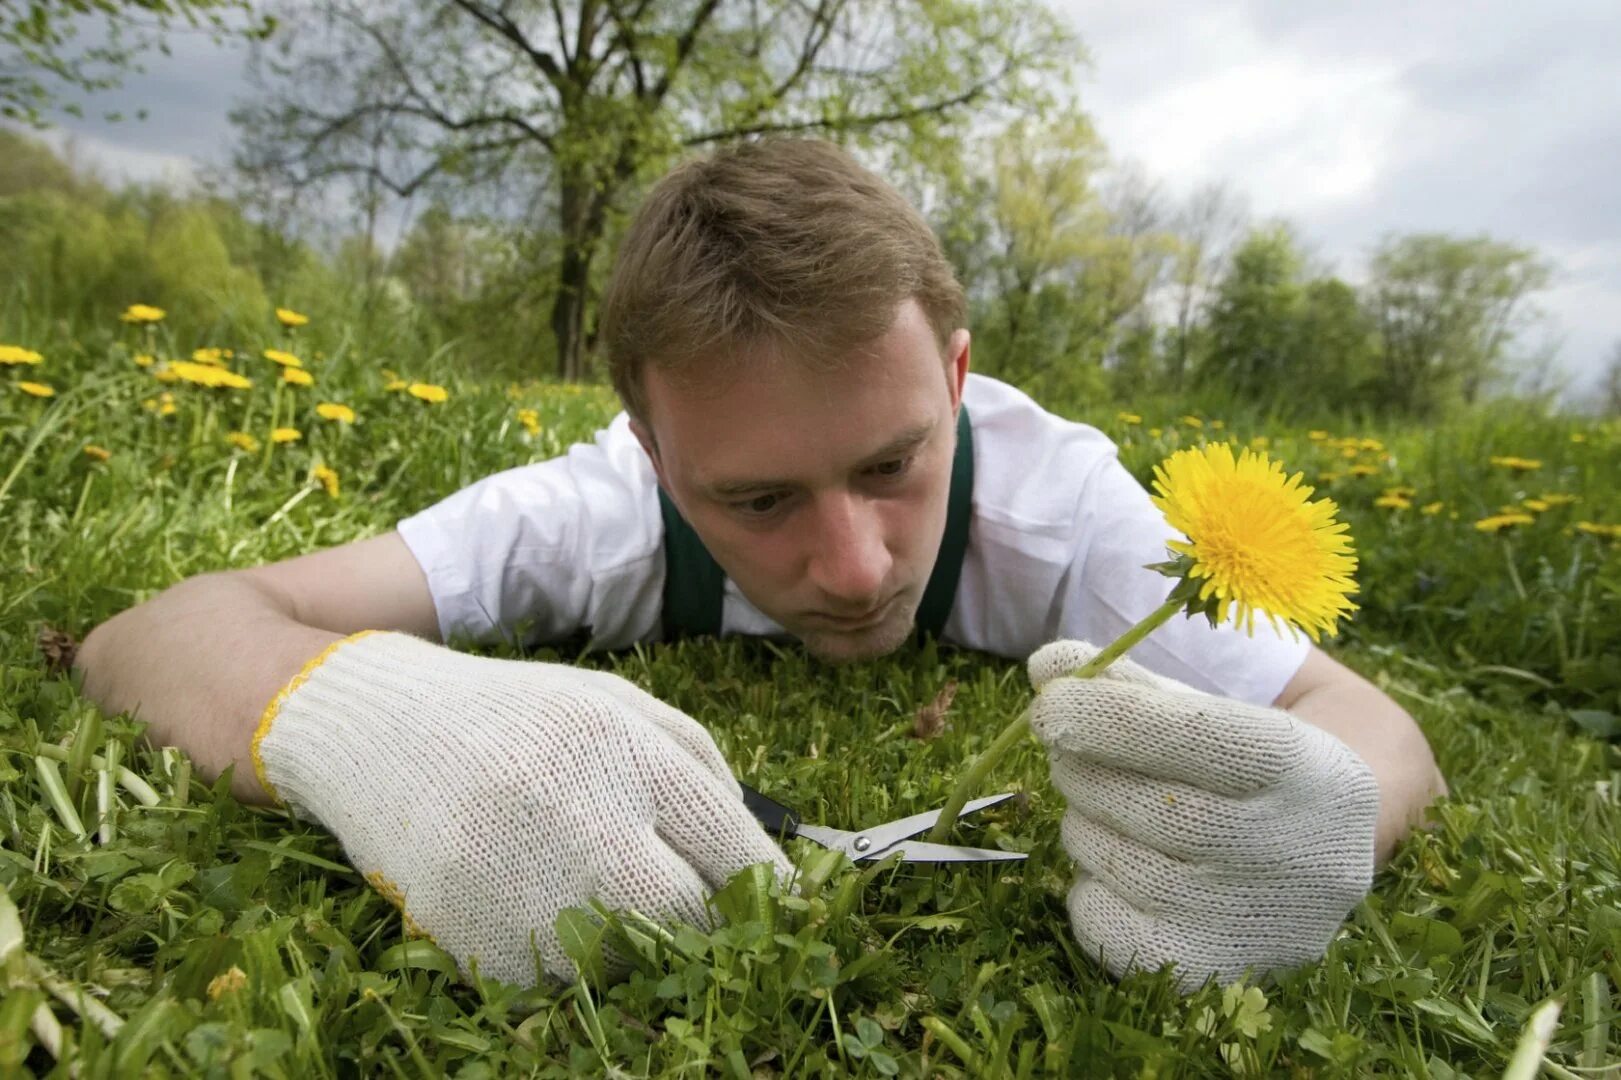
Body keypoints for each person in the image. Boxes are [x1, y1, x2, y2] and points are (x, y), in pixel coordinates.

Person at [75, 138, 1446, 993]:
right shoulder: (582, 513)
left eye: (892, 466)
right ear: (646, 447)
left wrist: (1319, 822)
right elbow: (156, 631)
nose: (851, 567)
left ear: (957, 377)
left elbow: (1373, 732)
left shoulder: (1071, 512)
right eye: (755, 498)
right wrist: (377, 724)